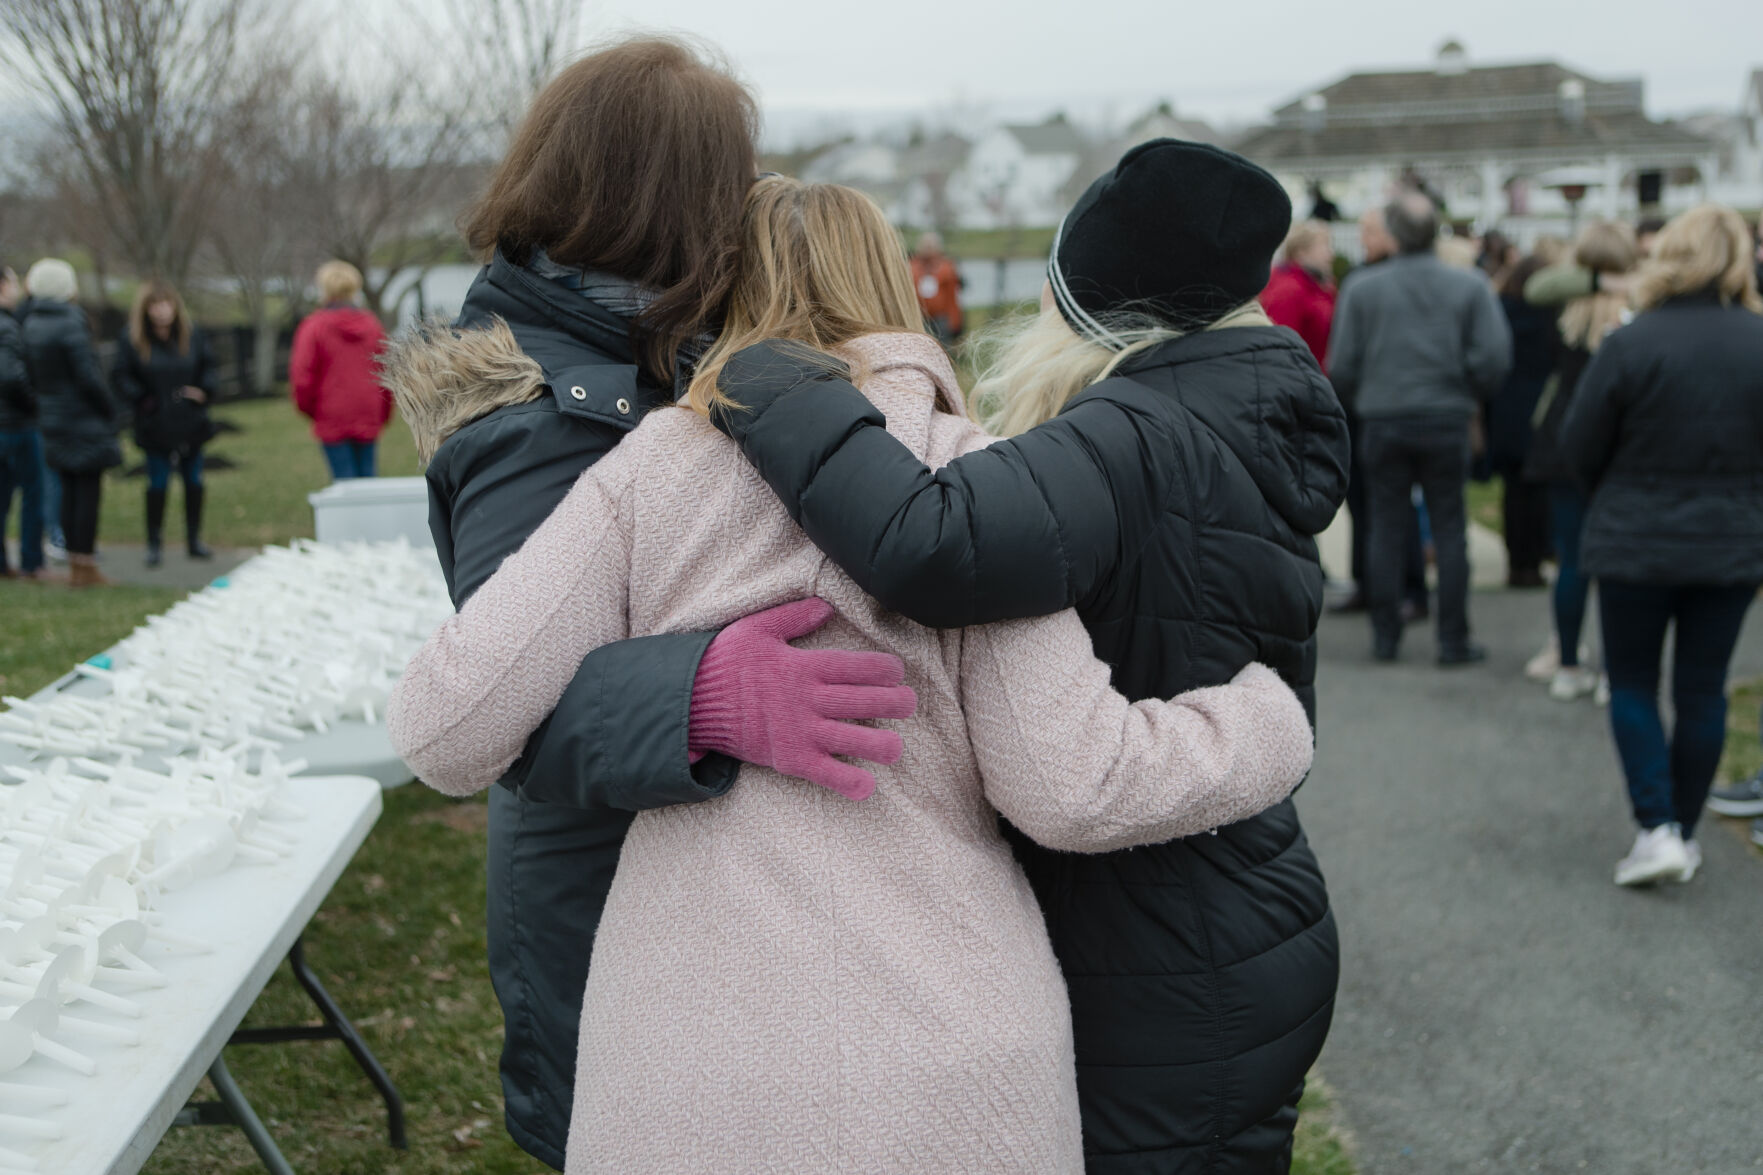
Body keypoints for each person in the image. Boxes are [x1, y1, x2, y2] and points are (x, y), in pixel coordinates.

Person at [387, 173, 1317, 1174]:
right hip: (951, 1058)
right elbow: (1069, 783)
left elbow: (442, 728)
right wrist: (1266, 719)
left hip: (690, 1061)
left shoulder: (648, 471)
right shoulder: (976, 476)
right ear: (892, 285)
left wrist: (674, 687)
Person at [702, 140, 1348, 1173]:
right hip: (1231, 915)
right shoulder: (1232, 404)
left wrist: (770, 376)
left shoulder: (1133, 431)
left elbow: (930, 540)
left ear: (1089, 297)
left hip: (1160, 966)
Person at [388, 40, 916, 1170]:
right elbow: (502, 700)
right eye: (728, 178)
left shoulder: (654, 349)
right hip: (598, 881)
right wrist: (699, 693)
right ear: (668, 200)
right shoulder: (533, 408)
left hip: (697, 874)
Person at [1557, 203, 1763, 886]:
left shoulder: (1631, 341)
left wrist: (1615, 492)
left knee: (1634, 681)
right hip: (1731, 540)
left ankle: (1657, 826)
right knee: (1703, 689)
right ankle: (1681, 829)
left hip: (1635, 537)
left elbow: (1579, 443)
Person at [1329, 190, 1512, 664]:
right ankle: (1452, 640)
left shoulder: (1363, 289)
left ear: (1393, 234)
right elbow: (1494, 358)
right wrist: (1465, 389)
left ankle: (1385, 637)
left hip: (1384, 419)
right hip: (1446, 417)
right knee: (1450, 528)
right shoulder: (1469, 285)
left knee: (1385, 527)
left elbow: (1341, 366)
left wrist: (1371, 396)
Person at [1522, 221, 1637, 700]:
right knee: (1617, 563)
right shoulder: (1634, 313)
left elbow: (1537, 286)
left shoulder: (1565, 311)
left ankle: (1568, 665)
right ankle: (1613, 672)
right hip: (1619, 444)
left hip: (1565, 441)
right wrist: (1609, 281)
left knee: (1572, 560)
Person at [1331, 206, 1428, 619]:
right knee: (1360, 499)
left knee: (1395, 504)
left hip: (1391, 406)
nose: (1362, 238)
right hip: (1362, 406)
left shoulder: (1398, 279)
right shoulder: (1358, 278)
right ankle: (1368, 584)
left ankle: (1410, 590)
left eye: (1370, 231)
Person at [23, 259, 119, 588]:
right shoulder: (71, 323)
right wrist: (109, 408)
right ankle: (85, 563)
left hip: (52, 419)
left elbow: (30, 376)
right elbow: (88, 376)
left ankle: (75, 562)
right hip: (82, 419)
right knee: (87, 493)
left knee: (66, 492)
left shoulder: (31, 324)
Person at [114, 280, 217, 566]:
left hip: (190, 420)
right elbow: (121, 376)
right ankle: (154, 543)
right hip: (155, 423)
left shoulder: (192, 335)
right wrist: (144, 400)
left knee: (194, 480)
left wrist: (203, 392)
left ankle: (194, 539)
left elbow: (208, 367)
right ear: (145, 310)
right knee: (157, 482)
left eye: (166, 304)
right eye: (155, 305)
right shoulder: (133, 340)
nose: (161, 311)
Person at [1487, 255, 1557, 588]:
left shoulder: (1501, 310)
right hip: (1541, 409)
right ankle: (1535, 560)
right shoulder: (1552, 316)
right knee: (1538, 490)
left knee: (1514, 491)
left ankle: (1517, 562)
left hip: (1507, 408)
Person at [290, 261, 390, 479]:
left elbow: (302, 376)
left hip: (331, 413)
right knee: (368, 479)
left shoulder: (314, 327)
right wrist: (384, 412)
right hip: (368, 409)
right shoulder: (372, 325)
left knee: (344, 482)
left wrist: (311, 411)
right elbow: (386, 371)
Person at [0, 263, 46, 580]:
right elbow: (9, 376)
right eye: (13, 282)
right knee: (33, 494)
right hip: (15, 425)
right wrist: (34, 403)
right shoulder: (6, 326)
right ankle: (32, 561)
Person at [1261, 219, 1335, 367]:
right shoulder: (1289, 291)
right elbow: (1281, 349)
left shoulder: (1317, 286)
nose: (1330, 254)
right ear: (1301, 253)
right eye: (1323, 246)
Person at [909, 230, 963, 343]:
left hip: (941, 319)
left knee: (942, 346)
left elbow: (952, 298)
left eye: (931, 246)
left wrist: (955, 323)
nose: (928, 249)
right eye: (925, 245)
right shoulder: (911, 267)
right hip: (918, 317)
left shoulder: (946, 268)